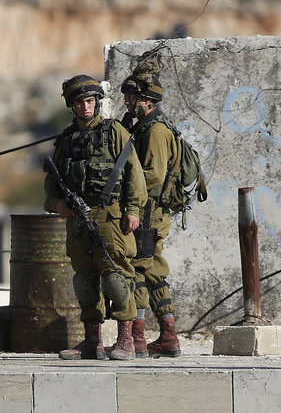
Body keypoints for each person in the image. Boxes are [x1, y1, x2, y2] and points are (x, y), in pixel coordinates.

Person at [43, 74, 149, 360]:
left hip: (110, 216)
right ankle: (93, 342)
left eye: (90, 101)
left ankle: (125, 340)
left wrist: (133, 210)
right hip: (77, 218)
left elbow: (133, 176)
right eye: (80, 102)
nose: (86, 107)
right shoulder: (66, 140)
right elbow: (50, 189)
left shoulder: (115, 132)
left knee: (116, 277)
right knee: (84, 280)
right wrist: (58, 205)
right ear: (72, 106)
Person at [119, 65, 182, 357]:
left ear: (148, 100)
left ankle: (138, 339)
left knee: (139, 270)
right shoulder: (142, 125)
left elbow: (153, 175)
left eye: (133, 97)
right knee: (155, 270)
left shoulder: (155, 130)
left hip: (149, 210)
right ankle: (169, 338)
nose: (129, 102)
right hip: (149, 209)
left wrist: (120, 182)